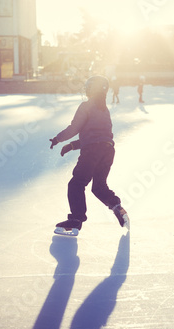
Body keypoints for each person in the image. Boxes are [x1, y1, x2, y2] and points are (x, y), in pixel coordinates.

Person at [49, 75, 129, 234]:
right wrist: (72, 146)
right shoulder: (104, 110)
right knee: (99, 187)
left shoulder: (86, 106)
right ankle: (117, 208)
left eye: (88, 87)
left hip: (93, 151)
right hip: (108, 151)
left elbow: (74, 129)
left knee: (76, 184)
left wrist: (58, 139)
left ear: (91, 89)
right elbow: (100, 137)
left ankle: (75, 220)